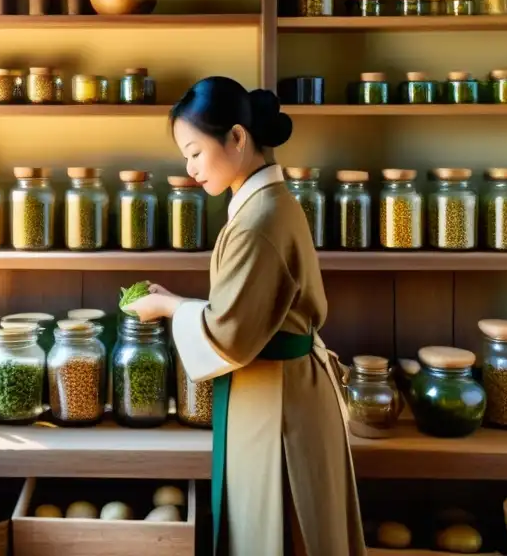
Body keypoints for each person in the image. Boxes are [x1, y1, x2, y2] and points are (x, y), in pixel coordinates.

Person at [127, 76, 365, 556]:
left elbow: (228, 336)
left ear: (237, 138)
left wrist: (168, 307)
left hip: (279, 396)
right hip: (279, 386)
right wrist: (174, 302)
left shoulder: (258, 221)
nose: (189, 167)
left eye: (194, 151)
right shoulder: (267, 202)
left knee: (280, 529)